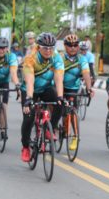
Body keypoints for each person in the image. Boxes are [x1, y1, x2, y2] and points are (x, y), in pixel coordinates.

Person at [20, 32, 65, 162]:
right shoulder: (30, 58)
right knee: (29, 118)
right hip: (30, 90)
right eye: (45, 47)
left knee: (59, 105)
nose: (48, 50)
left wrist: (61, 97)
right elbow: (29, 80)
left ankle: (50, 127)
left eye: (51, 47)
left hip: (45, 88)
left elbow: (58, 79)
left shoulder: (57, 58)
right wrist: (28, 99)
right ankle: (25, 147)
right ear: (39, 47)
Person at [61, 34, 95, 150]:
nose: (73, 48)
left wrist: (89, 88)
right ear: (65, 46)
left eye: (75, 45)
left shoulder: (82, 59)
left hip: (73, 88)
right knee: (57, 109)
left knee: (72, 111)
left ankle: (75, 136)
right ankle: (53, 128)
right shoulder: (60, 57)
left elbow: (86, 73)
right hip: (60, 86)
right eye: (70, 45)